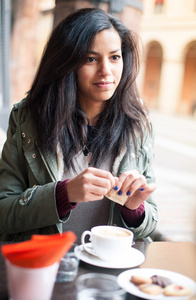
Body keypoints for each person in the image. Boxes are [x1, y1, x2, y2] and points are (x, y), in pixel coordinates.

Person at [0, 8, 157, 243]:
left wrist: (134, 209)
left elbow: (150, 223)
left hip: (110, 269)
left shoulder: (137, 125)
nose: (106, 71)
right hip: (47, 266)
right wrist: (62, 194)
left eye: (115, 57)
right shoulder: (28, 118)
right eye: (90, 59)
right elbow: (4, 212)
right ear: (66, 62)